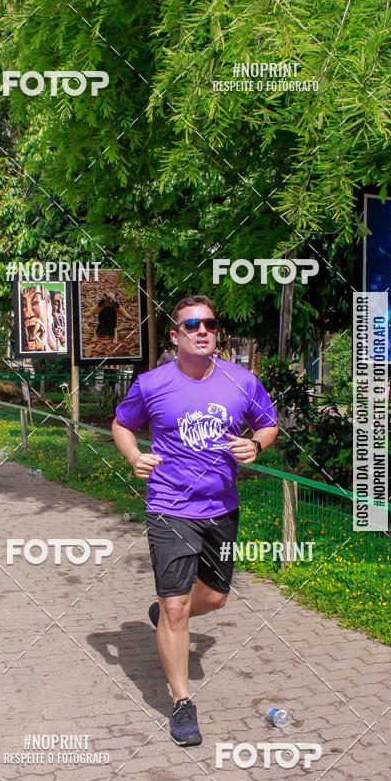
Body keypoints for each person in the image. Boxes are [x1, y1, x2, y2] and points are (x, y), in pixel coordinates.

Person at [112, 295, 278, 746]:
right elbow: (121, 424)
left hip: (221, 506)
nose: (202, 330)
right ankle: (182, 702)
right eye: (191, 325)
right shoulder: (152, 384)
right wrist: (134, 456)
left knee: (217, 598)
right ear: (175, 335)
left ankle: (164, 613)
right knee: (176, 606)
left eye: (209, 323)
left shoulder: (242, 380)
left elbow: (268, 424)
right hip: (169, 506)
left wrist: (257, 445)